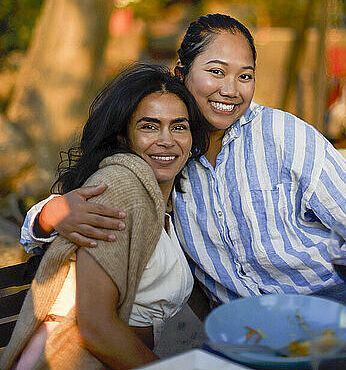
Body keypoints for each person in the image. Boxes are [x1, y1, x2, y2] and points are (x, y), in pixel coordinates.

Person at [19, 15, 346, 327]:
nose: (231, 90)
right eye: (216, 72)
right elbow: (93, 195)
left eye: (245, 76)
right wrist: (51, 214)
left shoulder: (284, 134)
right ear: (181, 72)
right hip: (249, 328)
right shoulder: (166, 153)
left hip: (333, 302)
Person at [1, 63, 208, 370]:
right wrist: (49, 214)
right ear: (123, 136)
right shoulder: (122, 187)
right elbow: (96, 326)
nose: (167, 140)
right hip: (69, 358)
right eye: (149, 126)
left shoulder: (169, 197)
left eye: (178, 126)